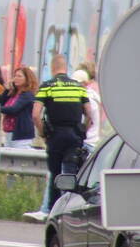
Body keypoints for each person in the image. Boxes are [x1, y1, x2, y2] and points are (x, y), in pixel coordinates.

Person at [23, 54, 92, 223]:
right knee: (71, 174)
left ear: (52, 68)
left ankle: (53, 214)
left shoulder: (47, 86)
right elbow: (89, 114)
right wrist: (82, 131)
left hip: (55, 136)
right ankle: (72, 213)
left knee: (55, 175)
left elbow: (35, 115)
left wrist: (43, 133)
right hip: (74, 136)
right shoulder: (78, 87)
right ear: (66, 67)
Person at [0, 66, 37, 148]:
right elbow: (1, 103)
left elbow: (14, 109)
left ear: (27, 79)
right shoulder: (13, 93)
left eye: (19, 76)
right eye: (15, 76)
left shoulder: (27, 95)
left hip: (21, 134)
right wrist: (7, 90)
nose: (15, 78)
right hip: (9, 132)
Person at [72, 67, 101, 150]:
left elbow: (87, 119)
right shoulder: (92, 96)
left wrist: (80, 135)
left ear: (84, 83)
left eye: (77, 83)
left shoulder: (88, 99)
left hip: (86, 143)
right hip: (91, 142)